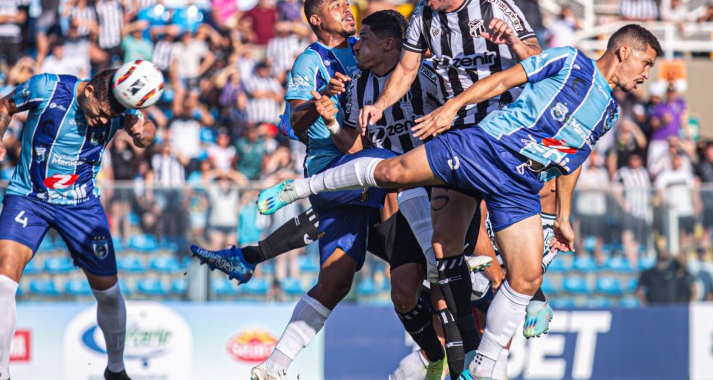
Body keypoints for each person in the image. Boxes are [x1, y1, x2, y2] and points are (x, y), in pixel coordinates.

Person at [257, 24, 662, 379]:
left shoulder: (609, 110)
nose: (647, 74)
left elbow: (572, 160)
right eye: (645, 62)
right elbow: (503, 81)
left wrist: (565, 216)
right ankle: (301, 188)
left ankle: (482, 365)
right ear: (623, 51)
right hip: (487, 148)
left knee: (527, 278)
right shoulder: (571, 61)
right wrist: (453, 107)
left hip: (521, 183)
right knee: (394, 173)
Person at [351, 0, 543, 374]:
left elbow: (539, 61)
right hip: (457, 137)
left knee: (505, 251)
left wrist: (512, 39)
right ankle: (474, 352)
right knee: (442, 246)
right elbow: (404, 72)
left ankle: (529, 296)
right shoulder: (423, 18)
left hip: (503, 135)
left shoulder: (494, 4)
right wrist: (381, 105)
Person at [247, 0, 447, 379]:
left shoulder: (376, 47)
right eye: (335, 4)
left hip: (385, 167)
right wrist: (323, 100)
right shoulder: (312, 62)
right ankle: (275, 366)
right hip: (335, 164)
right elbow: (298, 120)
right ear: (316, 19)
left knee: (410, 262)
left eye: (347, 1)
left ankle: (437, 338)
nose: (346, 7)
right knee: (337, 278)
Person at [0, 68, 156, 380]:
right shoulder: (46, 87)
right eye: (101, 114)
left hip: (81, 206)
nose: (104, 121)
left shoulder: (119, 104)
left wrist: (141, 133)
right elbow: (5, 106)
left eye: (110, 117)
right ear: (88, 92)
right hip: (28, 197)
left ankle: (115, 370)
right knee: (2, 280)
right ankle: (0, 373)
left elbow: (148, 134)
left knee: (109, 293)